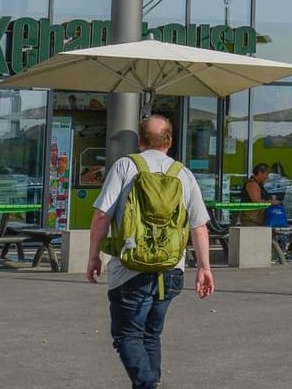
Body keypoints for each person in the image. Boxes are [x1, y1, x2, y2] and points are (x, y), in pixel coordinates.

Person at [86, 115, 213, 389]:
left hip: (131, 270)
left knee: (127, 336)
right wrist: (205, 268)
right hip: (171, 270)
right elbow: (199, 226)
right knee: (151, 335)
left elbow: (101, 216)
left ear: (140, 141)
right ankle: (149, 383)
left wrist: (93, 256)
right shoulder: (183, 173)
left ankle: (147, 384)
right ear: (170, 141)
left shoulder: (125, 166)